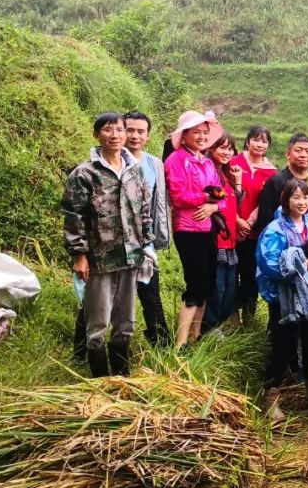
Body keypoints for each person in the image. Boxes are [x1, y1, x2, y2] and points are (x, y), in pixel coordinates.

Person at [62, 111, 153, 377]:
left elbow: (144, 211)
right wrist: (79, 255)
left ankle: (121, 377)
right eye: (108, 130)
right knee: (98, 323)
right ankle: (101, 382)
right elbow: (73, 216)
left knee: (126, 322)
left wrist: (146, 246)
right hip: (100, 259)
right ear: (97, 134)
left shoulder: (135, 172)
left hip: (131, 257)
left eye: (120, 130)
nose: (115, 135)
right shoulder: (85, 174)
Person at [257, 179, 308, 414]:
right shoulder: (274, 229)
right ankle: (271, 397)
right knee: (281, 344)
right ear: (286, 200)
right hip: (284, 299)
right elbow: (271, 264)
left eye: (305, 197)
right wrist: (306, 263)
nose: (301, 202)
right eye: (295, 197)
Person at [164, 110, 225, 349]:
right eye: (196, 132)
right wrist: (207, 199)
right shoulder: (175, 160)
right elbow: (178, 197)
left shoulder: (207, 162)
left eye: (204, 133)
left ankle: (195, 335)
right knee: (195, 285)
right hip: (187, 229)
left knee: (208, 283)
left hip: (207, 227)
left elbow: (222, 196)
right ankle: (180, 344)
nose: (201, 137)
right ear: (184, 135)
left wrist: (213, 206)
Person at [124, 111, 171, 348]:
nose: (134, 136)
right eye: (129, 130)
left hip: (145, 244)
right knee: (105, 299)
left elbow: (158, 203)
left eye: (140, 131)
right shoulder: (109, 162)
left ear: (148, 135)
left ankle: (162, 346)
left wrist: (157, 238)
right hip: (116, 245)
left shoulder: (155, 164)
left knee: (151, 296)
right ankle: (85, 349)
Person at [200, 131, 245, 335]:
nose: (227, 152)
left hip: (230, 240)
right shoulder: (207, 172)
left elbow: (234, 204)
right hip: (214, 239)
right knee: (216, 289)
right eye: (222, 147)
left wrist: (237, 181)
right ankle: (208, 330)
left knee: (229, 291)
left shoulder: (226, 175)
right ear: (210, 148)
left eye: (230, 148)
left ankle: (216, 326)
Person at [231, 126, 276, 324]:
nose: (259, 144)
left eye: (264, 141)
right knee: (229, 276)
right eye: (256, 139)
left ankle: (248, 320)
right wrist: (235, 220)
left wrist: (249, 222)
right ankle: (230, 319)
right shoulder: (233, 163)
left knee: (250, 276)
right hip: (229, 227)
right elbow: (225, 191)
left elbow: (266, 201)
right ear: (248, 141)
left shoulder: (272, 172)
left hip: (254, 232)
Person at [255, 133, 308, 236]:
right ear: (288, 154)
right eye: (298, 150)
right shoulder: (275, 182)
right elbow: (265, 220)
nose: (303, 155)